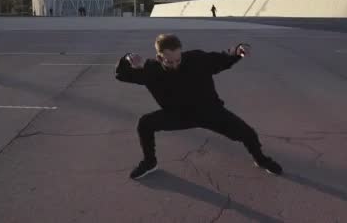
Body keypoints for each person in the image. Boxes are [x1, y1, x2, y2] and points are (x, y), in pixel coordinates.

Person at [115, 34, 283, 180]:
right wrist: (127, 58)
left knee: (248, 134)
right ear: (159, 58)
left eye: (178, 59)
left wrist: (239, 49)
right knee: (145, 123)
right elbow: (121, 75)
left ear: (181, 52)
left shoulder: (197, 59)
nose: (175, 64)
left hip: (210, 112)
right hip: (177, 116)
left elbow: (223, 59)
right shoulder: (150, 69)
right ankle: (150, 162)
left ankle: (261, 159)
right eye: (169, 61)